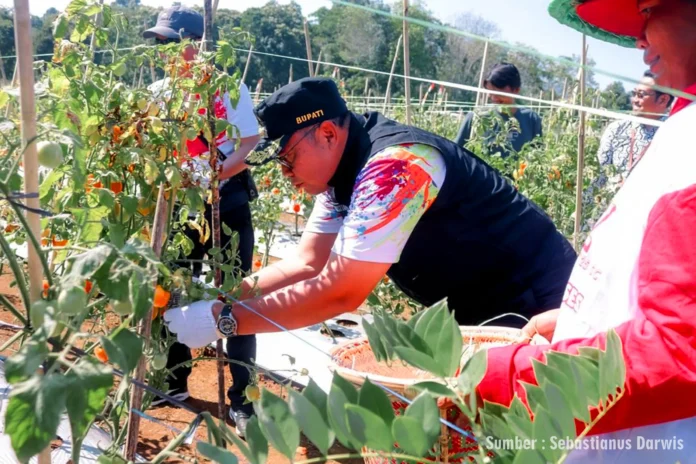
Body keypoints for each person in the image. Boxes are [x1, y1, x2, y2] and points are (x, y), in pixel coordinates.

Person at [163, 76, 577, 357]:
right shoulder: (342, 177)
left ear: (327, 133)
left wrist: (225, 322)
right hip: (482, 307)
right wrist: (222, 299)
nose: (286, 174)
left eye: (288, 159)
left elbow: (340, 292)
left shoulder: (395, 168)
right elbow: (307, 262)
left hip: (539, 302)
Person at [470, 0, 696, 461]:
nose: (639, 38)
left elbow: (680, 353)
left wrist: (501, 376)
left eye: (649, 9)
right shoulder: (682, 126)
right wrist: (581, 321)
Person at [142, 6, 260, 438]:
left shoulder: (227, 88)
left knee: (236, 296)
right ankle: (173, 382)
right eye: (159, 43)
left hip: (226, 206)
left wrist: (218, 172)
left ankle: (242, 400)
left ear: (194, 43)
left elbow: (249, 138)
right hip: (181, 210)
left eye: (171, 43)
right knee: (174, 292)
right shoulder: (159, 92)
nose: (164, 52)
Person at [453, 62, 543, 161]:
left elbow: (538, 158)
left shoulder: (531, 119)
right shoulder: (476, 118)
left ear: (516, 90)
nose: (493, 97)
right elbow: (455, 154)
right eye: (490, 92)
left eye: (498, 92)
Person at [596, 70, 673, 183]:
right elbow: (600, 172)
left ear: (663, 99)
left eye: (641, 95)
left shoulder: (675, 133)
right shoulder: (617, 129)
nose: (634, 100)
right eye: (634, 94)